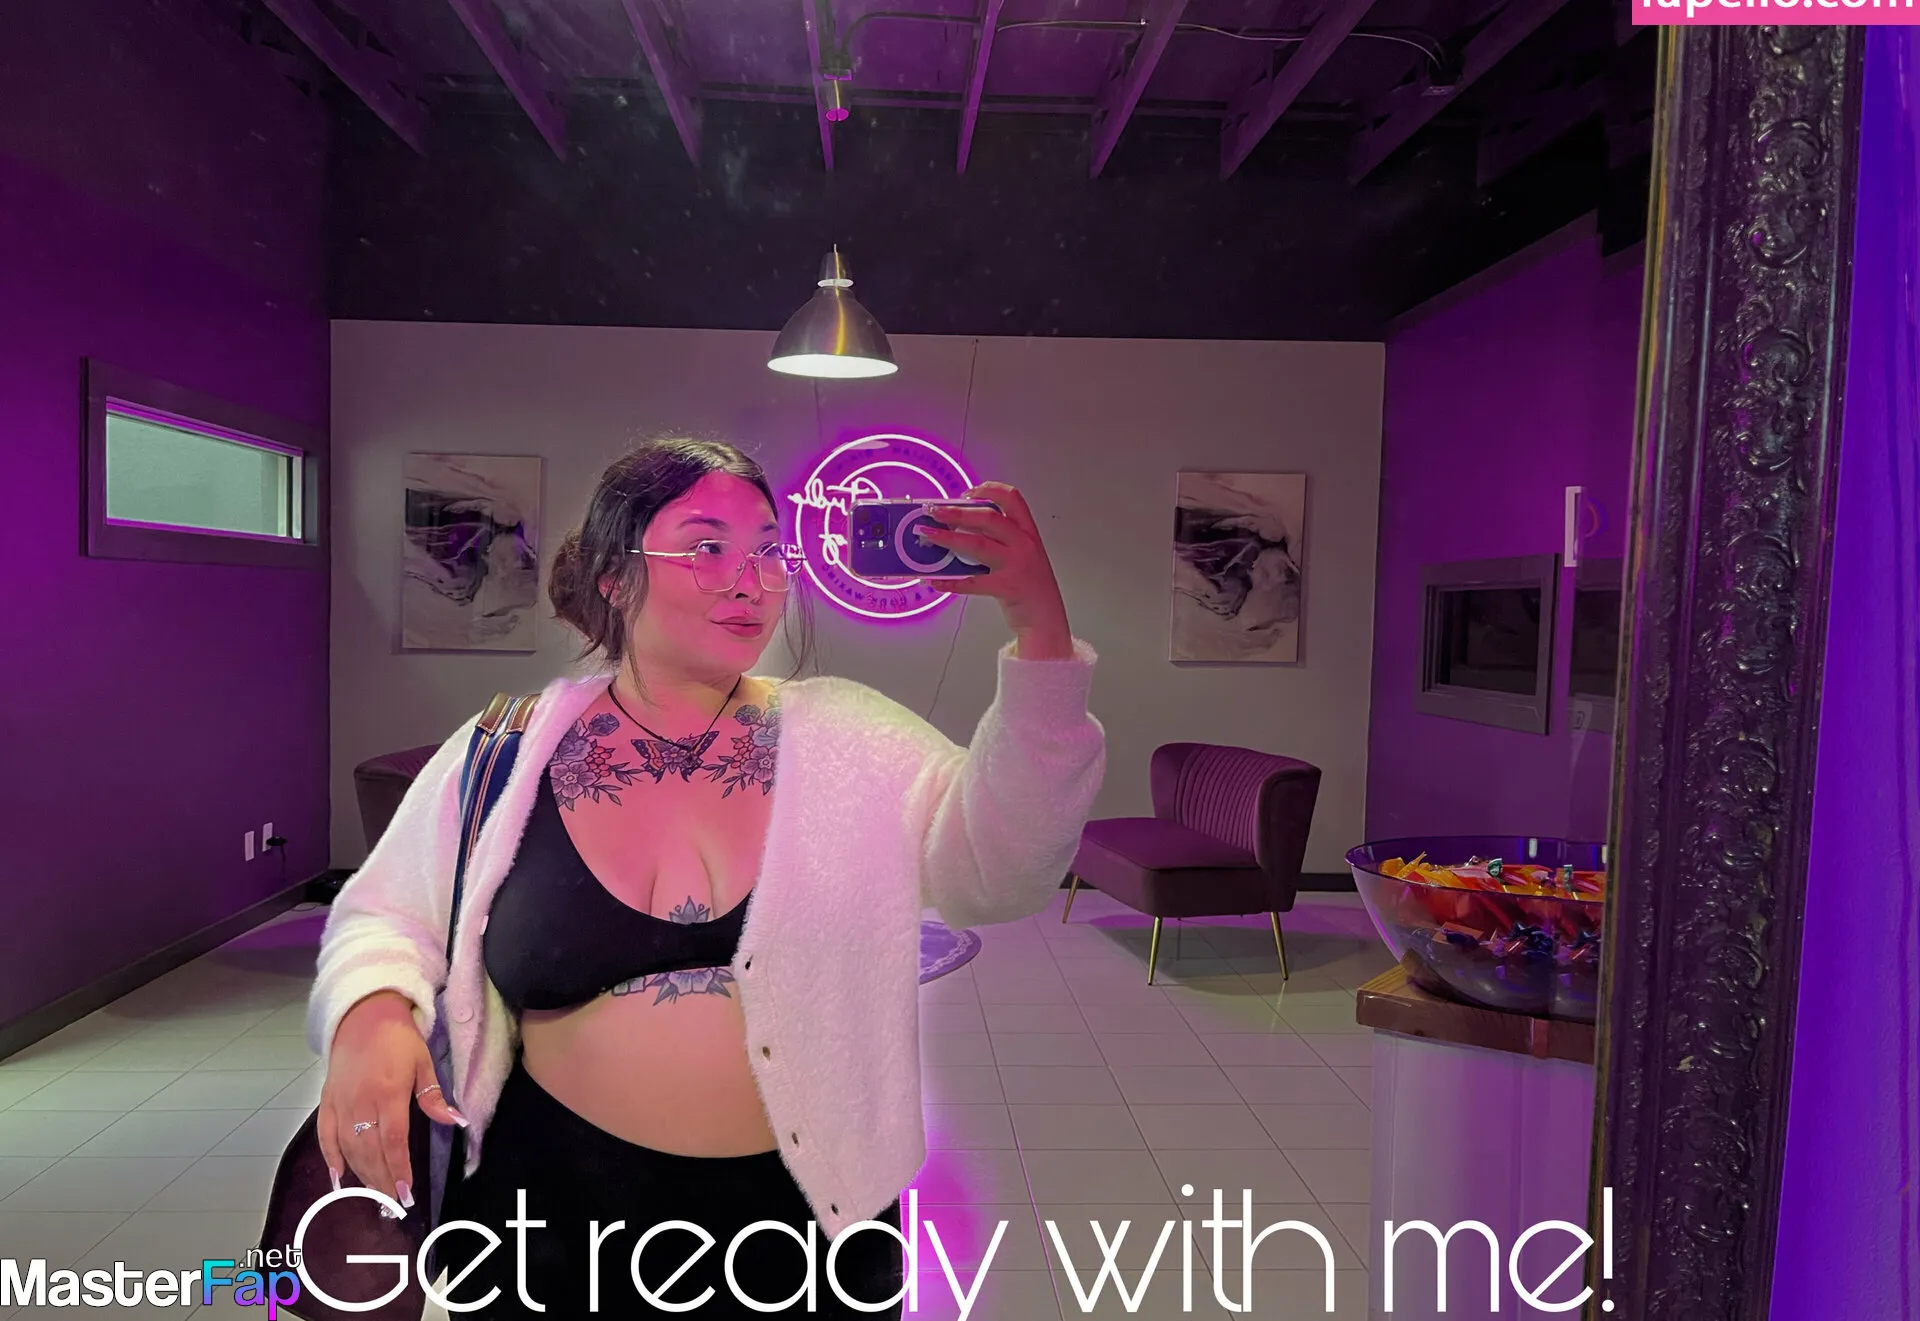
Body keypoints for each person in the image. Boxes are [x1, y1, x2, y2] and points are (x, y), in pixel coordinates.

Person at [304, 437, 1106, 1318]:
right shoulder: (508, 751)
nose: (750, 579)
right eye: (707, 546)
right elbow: (382, 914)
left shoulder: (850, 740)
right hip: (552, 1228)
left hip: (805, 1235)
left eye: (768, 549)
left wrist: (1041, 636)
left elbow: (1001, 873)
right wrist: (371, 1013)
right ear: (615, 576)